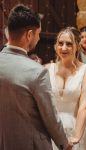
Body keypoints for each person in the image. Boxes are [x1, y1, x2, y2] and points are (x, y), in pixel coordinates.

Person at [0, 4, 72, 150]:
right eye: (38, 33)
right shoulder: (37, 72)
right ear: (29, 34)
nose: (39, 38)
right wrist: (64, 143)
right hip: (29, 143)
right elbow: (49, 116)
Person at [45, 27, 86, 150]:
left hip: (78, 125)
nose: (64, 48)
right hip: (53, 128)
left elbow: (84, 107)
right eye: (60, 43)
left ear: (77, 46)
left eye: (69, 44)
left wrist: (76, 138)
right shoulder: (47, 69)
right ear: (55, 46)